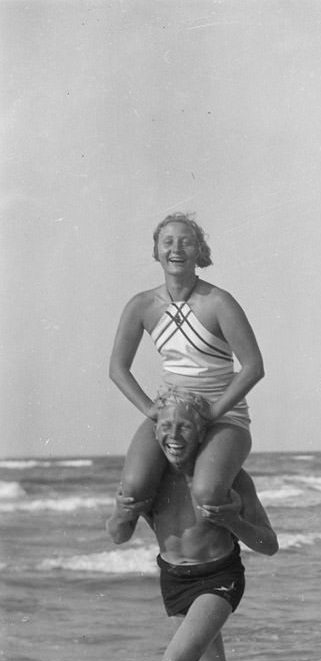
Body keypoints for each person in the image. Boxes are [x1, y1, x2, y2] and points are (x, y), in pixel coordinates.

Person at [106, 388, 291, 661]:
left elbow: (269, 544)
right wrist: (121, 512)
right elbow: (117, 534)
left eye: (184, 426)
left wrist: (231, 518)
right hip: (174, 581)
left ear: (202, 432)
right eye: (165, 425)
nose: (173, 435)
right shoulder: (150, 480)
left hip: (219, 578)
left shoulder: (228, 478)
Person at [109, 212, 264, 536]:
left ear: (199, 251)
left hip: (223, 414)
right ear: (157, 251)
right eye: (168, 242)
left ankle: (237, 515)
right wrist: (151, 409)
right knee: (135, 487)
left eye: (186, 242)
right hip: (171, 414)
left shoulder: (219, 301)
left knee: (208, 493)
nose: (176, 249)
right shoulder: (141, 305)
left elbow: (253, 367)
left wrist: (213, 412)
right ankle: (132, 536)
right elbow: (117, 368)